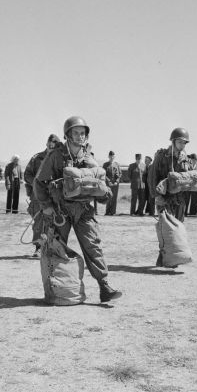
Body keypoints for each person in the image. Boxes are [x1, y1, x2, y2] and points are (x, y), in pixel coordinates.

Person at [33, 115, 121, 303]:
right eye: (76, 133)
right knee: (56, 249)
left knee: (93, 246)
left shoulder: (89, 157)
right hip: (60, 211)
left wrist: (104, 193)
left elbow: (100, 183)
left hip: (83, 211)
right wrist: (47, 206)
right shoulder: (55, 156)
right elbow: (39, 182)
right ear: (68, 135)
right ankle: (55, 291)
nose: (81, 137)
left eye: (83, 133)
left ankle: (104, 286)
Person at [148, 127, 197, 224]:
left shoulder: (186, 160)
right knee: (167, 227)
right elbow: (152, 176)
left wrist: (196, 179)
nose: (182, 145)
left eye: (184, 143)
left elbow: (190, 177)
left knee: (178, 226)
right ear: (173, 141)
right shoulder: (162, 156)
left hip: (180, 199)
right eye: (179, 142)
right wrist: (157, 196)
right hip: (164, 197)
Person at [24, 134, 61, 257]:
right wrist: (37, 182)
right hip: (38, 196)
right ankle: (39, 248)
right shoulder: (37, 158)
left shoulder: (61, 159)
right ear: (46, 144)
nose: (51, 146)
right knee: (39, 222)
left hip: (55, 196)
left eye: (54, 145)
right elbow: (27, 174)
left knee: (55, 223)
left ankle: (52, 248)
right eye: (49, 144)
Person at [103, 151, 121, 215]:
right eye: (110, 156)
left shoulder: (117, 164)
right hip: (108, 184)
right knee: (108, 197)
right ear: (108, 156)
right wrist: (108, 181)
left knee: (114, 198)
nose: (111, 157)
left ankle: (113, 212)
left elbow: (120, 174)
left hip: (115, 184)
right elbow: (104, 174)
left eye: (113, 156)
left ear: (114, 157)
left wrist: (116, 181)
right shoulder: (105, 164)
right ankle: (107, 211)